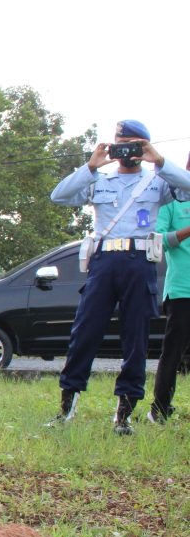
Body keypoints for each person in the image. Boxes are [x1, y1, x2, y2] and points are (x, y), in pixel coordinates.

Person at [48, 120, 190, 434]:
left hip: (139, 262)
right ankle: (66, 410)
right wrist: (91, 165)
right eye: (122, 143)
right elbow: (58, 195)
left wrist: (160, 160)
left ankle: (123, 416)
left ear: (144, 147)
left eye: (135, 144)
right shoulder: (100, 180)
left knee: (135, 338)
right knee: (84, 331)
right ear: (113, 145)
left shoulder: (158, 182)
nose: (128, 150)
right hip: (104, 261)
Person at [149, 153, 190, 424]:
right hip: (182, 291)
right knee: (173, 353)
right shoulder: (171, 201)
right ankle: (159, 409)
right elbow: (158, 241)